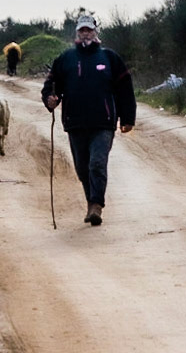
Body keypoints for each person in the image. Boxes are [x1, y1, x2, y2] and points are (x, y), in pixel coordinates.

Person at [41, 13, 135, 226]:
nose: (86, 34)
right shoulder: (66, 60)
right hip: (75, 123)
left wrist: (127, 118)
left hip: (104, 123)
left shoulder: (109, 58)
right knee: (82, 168)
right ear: (77, 33)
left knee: (97, 163)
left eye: (89, 30)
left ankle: (96, 206)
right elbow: (51, 85)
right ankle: (90, 202)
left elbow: (125, 89)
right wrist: (50, 99)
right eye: (82, 30)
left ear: (95, 32)